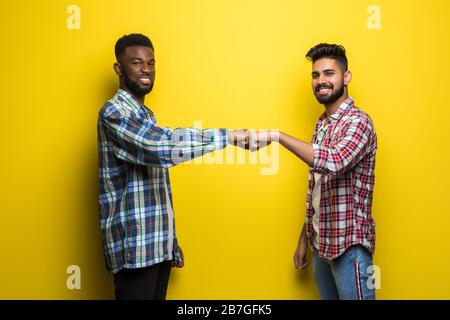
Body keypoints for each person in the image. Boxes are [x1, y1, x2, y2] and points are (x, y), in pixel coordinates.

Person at [97, 33, 263, 300]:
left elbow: (155, 187)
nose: (146, 69)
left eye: (151, 63)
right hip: (135, 252)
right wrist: (228, 136)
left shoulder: (146, 117)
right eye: (137, 63)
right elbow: (159, 148)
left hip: (156, 248)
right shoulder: (115, 112)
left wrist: (170, 244)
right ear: (119, 68)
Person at [268, 43, 377, 299]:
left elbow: (334, 161)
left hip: (349, 248)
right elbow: (318, 188)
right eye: (316, 75)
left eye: (329, 73)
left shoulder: (359, 122)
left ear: (346, 77)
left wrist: (277, 136)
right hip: (321, 245)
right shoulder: (322, 125)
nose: (321, 81)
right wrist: (305, 239)